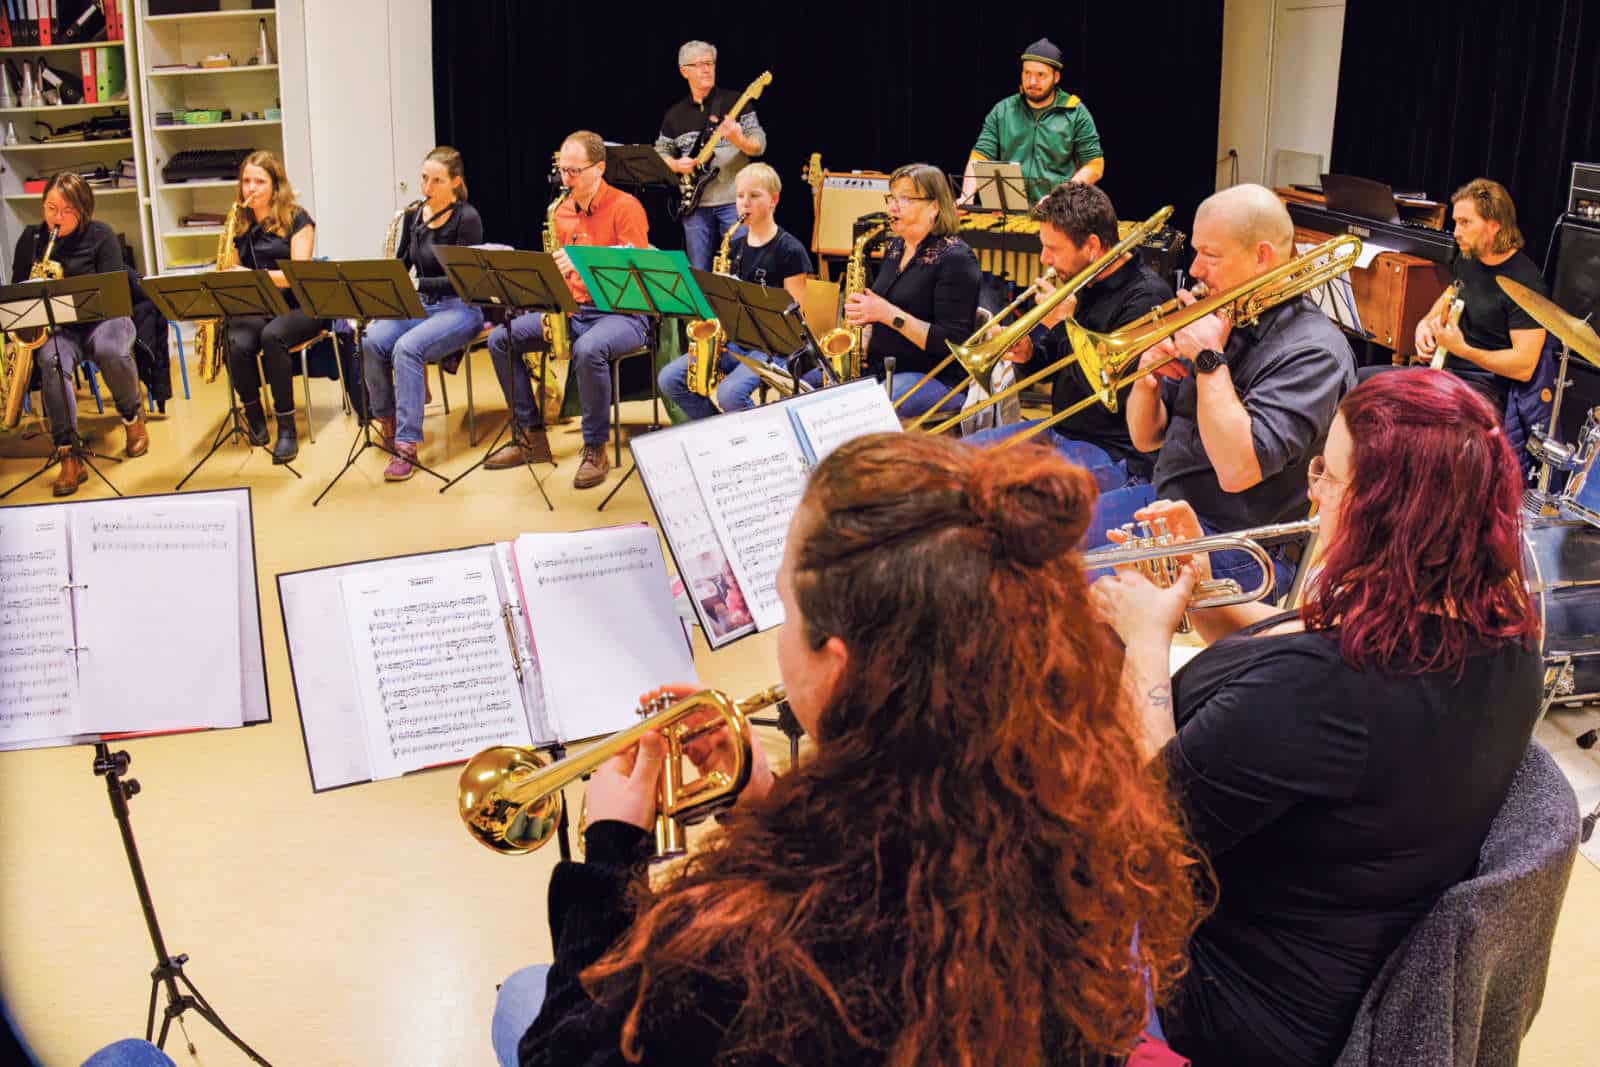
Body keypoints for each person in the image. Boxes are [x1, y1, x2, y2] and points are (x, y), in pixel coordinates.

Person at [492, 433, 1204, 1067]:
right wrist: (766, 801)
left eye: (786, 608)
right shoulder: (1065, 803)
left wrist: (612, 849)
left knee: (521, 998)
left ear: (836, 663)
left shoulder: (755, 947)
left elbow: (563, 1051)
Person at [1094, 370, 1544, 1067]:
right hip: (1329, 955)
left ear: (1385, 513)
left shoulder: (1328, 693)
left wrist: (1145, 638)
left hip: (1224, 995)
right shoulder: (1499, 643)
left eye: (1329, 475)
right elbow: (1286, 651)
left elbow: (1148, 830)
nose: (1314, 490)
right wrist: (1200, 575)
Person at [1091, 183, 1357, 594]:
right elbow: (1147, 440)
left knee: (1061, 596)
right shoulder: (1221, 317)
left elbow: (1237, 471)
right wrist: (1145, 380)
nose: (1194, 269)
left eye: (1210, 255)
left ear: (1262, 256)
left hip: (1239, 543)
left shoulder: (1315, 351)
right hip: (1167, 507)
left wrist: (1209, 361)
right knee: (1032, 542)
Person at [966, 181, 1173, 489]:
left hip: (1112, 450)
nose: (1043, 259)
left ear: (1091, 246)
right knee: (960, 459)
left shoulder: (1145, 299)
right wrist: (1029, 354)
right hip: (1061, 430)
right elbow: (1053, 362)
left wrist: (1063, 325)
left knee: (999, 490)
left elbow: (1110, 402)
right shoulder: (1082, 279)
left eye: (1053, 248)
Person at [485, 131, 649, 488]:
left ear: (599, 168)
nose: (566, 179)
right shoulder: (559, 211)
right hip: (574, 311)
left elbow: (636, 268)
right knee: (500, 339)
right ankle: (531, 436)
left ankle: (595, 447)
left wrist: (581, 261)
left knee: (588, 350)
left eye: (574, 171)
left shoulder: (626, 207)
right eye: (562, 171)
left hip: (623, 314)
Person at [7, 172, 147, 495]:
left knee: (111, 350)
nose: (56, 218)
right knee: (52, 361)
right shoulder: (31, 240)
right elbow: (17, 295)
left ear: (83, 210)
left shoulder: (101, 236)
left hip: (104, 319)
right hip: (58, 328)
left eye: (66, 211)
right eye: (50, 208)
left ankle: (131, 417)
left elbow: (114, 294)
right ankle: (69, 454)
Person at [805, 164, 980, 418]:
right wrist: (863, 337)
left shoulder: (956, 259)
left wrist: (887, 314)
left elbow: (951, 343)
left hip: (936, 376)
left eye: (905, 199)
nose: (892, 208)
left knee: (858, 409)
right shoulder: (897, 247)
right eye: (892, 198)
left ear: (934, 207)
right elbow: (881, 307)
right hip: (884, 366)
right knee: (806, 385)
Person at [360, 147, 486, 481]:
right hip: (420, 304)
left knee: (407, 348)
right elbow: (402, 264)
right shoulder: (414, 216)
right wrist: (382, 294)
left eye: (437, 180)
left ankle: (406, 446)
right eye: (424, 178)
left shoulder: (466, 218)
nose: (427, 187)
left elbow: (463, 278)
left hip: (460, 307)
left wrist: (418, 280)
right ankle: (386, 421)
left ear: (455, 183)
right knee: (372, 340)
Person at [657, 163, 810, 419]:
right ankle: (719, 429)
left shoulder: (790, 250)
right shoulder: (734, 246)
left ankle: (761, 442)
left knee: (730, 394)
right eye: (740, 196)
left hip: (774, 348)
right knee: (669, 379)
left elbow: (797, 316)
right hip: (736, 342)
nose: (744, 203)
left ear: (774, 200)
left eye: (754, 196)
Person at [222, 150, 322, 464]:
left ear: (275, 186)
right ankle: (254, 416)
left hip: (300, 305)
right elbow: (231, 271)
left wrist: (252, 275)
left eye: (259, 182)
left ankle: (287, 427)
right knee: (236, 341)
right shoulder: (238, 222)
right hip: (258, 305)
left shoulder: (298, 219)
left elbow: (297, 275)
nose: (250, 188)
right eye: (246, 181)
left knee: (272, 336)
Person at [1411, 178, 1547, 409]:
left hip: (1484, 388)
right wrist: (1424, 325)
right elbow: (1452, 291)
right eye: (1456, 223)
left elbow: (1525, 366)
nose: (1456, 233)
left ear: (1494, 226)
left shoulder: (1526, 282)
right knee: (1366, 381)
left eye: (1465, 223)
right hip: (1446, 370)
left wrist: (1464, 350)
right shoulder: (1469, 258)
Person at [655, 40, 768, 271]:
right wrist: (676, 165)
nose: (707, 69)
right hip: (695, 205)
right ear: (683, 71)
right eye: (699, 64)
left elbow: (759, 145)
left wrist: (739, 140)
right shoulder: (674, 115)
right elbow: (659, 152)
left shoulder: (737, 101)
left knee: (743, 267)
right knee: (699, 272)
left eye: (710, 63)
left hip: (735, 202)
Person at [963, 38, 1104, 205]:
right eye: (1027, 73)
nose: (1032, 82)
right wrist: (966, 197)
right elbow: (980, 156)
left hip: (1056, 212)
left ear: (1056, 77)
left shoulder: (1075, 113)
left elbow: (1094, 165)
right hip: (1007, 211)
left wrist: (1060, 197)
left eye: (1040, 75)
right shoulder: (1003, 110)